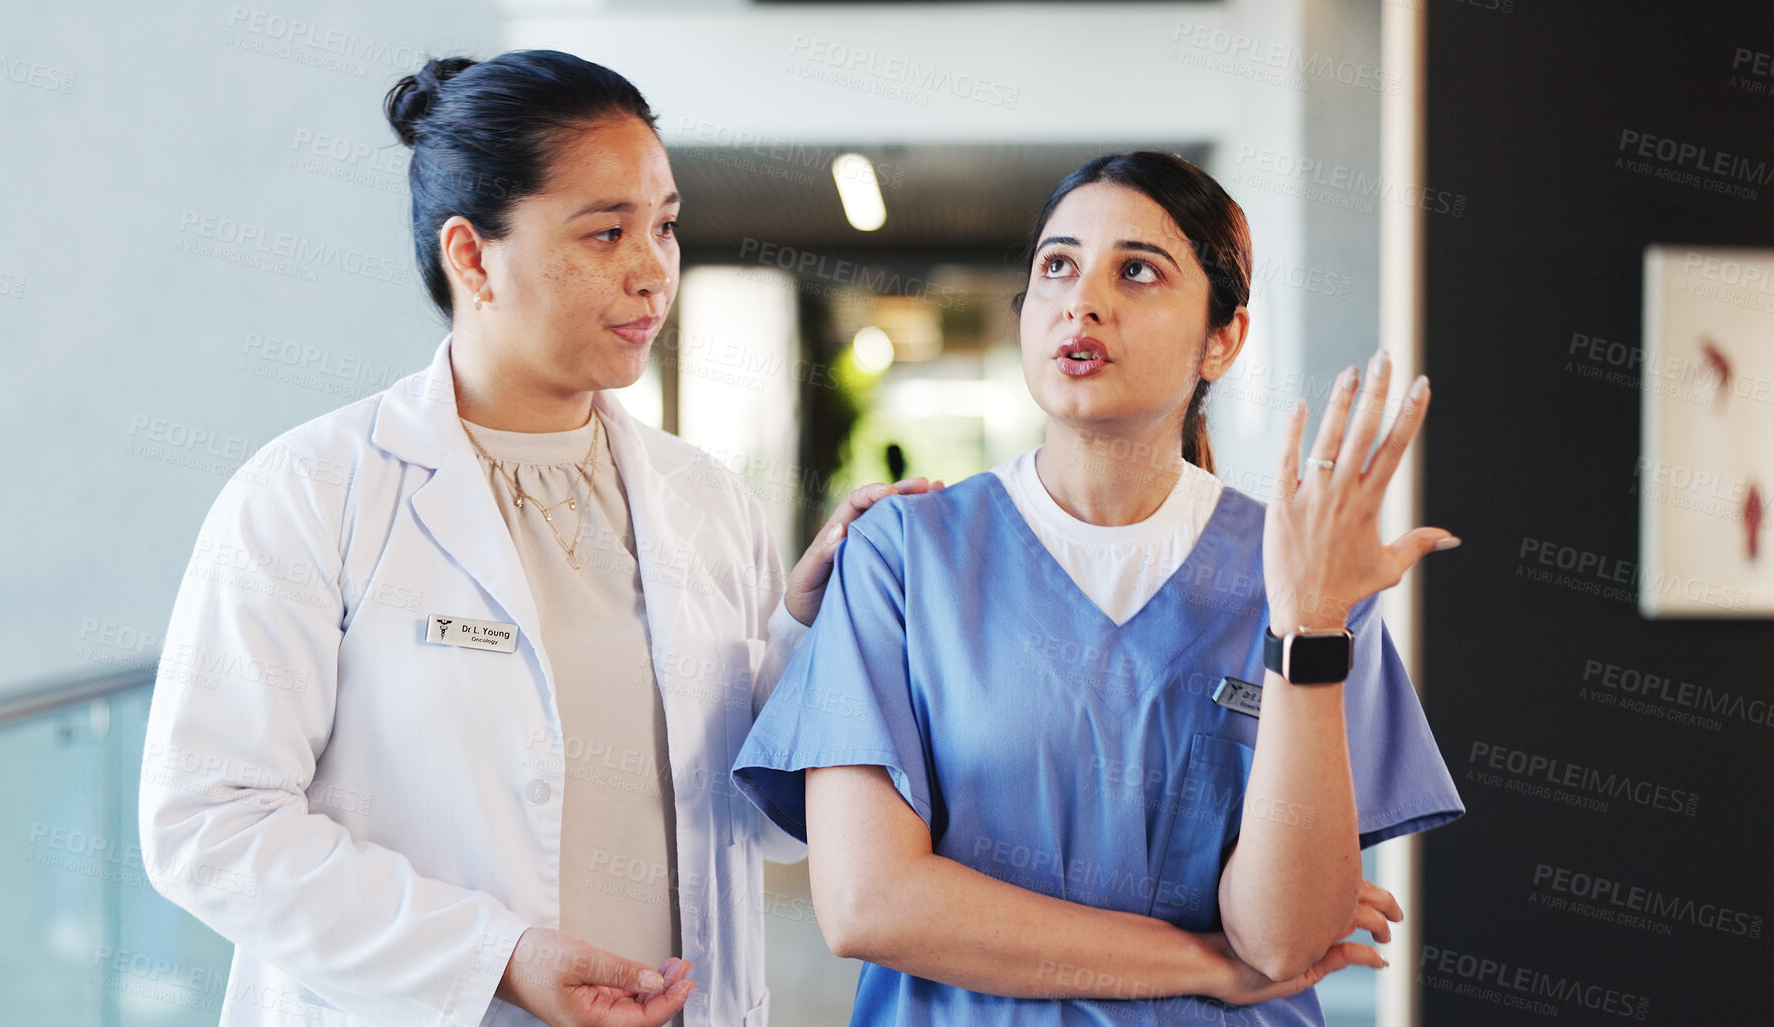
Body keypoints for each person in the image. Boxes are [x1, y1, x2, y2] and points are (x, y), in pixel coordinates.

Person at [138, 50, 929, 1027]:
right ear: (471, 256)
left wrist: (808, 619)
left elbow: (767, 823)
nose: (652, 270)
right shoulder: (311, 492)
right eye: (606, 232)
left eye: (665, 226)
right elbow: (209, 823)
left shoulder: (704, 499)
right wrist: (497, 959)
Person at [733, 151, 1466, 1025]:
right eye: (1057, 265)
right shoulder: (900, 555)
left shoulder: (1301, 574)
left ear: (1222, 339)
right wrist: (1205, 963)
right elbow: (869, 903)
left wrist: (1306, 626)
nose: (1083, 299)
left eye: (1137, 270)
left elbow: (1280, 939)